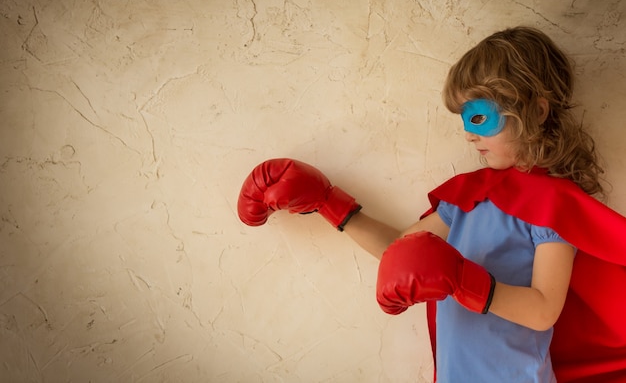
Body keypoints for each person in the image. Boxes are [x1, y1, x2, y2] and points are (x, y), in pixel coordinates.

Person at [237, 27, 626, 382]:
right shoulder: (467, 195)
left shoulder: (555, 205)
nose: (469, 135)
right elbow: (401, 252)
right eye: (463, 120)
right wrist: (327, 202)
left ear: (537, 111)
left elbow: (543, 310)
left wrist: (461, 279)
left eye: (479, 116)